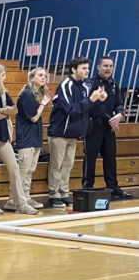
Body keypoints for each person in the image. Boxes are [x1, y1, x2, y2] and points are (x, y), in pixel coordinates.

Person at [0, 63, 37, 216]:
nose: (5, 78)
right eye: (3, 75)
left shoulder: (4, 92)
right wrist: (5, 112)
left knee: (14, 167)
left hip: (3, 132)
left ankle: (20, 203)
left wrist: (1, 111)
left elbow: (15, 110)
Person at [48, 56, 106, 208]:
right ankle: (54, 194)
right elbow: (71, 110)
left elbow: (88, 109)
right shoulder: (65, 85)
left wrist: (99, 99)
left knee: (68, 164)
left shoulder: (85, 86)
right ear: (74, 69)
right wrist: (91, 100)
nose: (87, 71)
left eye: (88, 68)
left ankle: (64, 192)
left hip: (74, 133)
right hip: (60, 132)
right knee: (57, 165)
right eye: (84, 68)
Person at [86, 55, 132, 199]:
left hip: (110, 127)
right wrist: (111, 119)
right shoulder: (91, 83)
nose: (108, 69)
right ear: (98, 67)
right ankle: (88, 186)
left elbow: (119, 103)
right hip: (94, 125)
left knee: (111, 157)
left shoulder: (114, 84)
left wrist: (119, 115)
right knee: (91, 157)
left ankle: (113, 187)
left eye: (111, 66)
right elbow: (93, 106)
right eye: (105, 66)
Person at [15, 67, 53, 210]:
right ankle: (17, 199)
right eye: (40, 75)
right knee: (23, 170)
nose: (43, 78)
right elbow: (33, 117)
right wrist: (43, 103)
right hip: (26, 138)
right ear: (32, 78)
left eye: (45, 75)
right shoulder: (27, 94)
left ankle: (26, 196)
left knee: (30, 169)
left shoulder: (35, 94)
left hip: (35, 137)